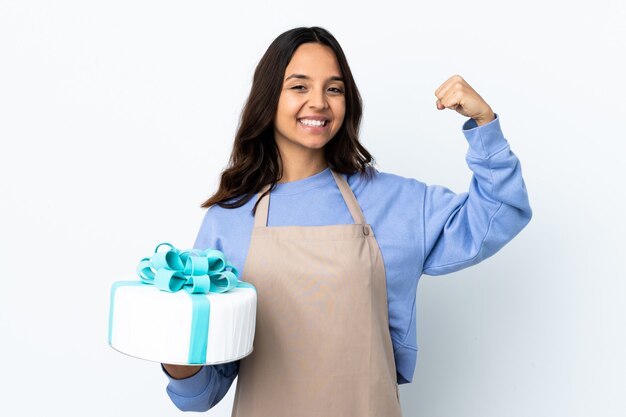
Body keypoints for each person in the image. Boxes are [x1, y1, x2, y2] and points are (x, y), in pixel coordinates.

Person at [161, 26, 532, 416]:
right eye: (299, 87)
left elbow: (502, 212)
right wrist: (173, 349)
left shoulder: (395, 202)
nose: (318, 102)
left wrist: (484, 125)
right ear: (268, 98)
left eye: (334, 89)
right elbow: (200, 393)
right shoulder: (230, 219)